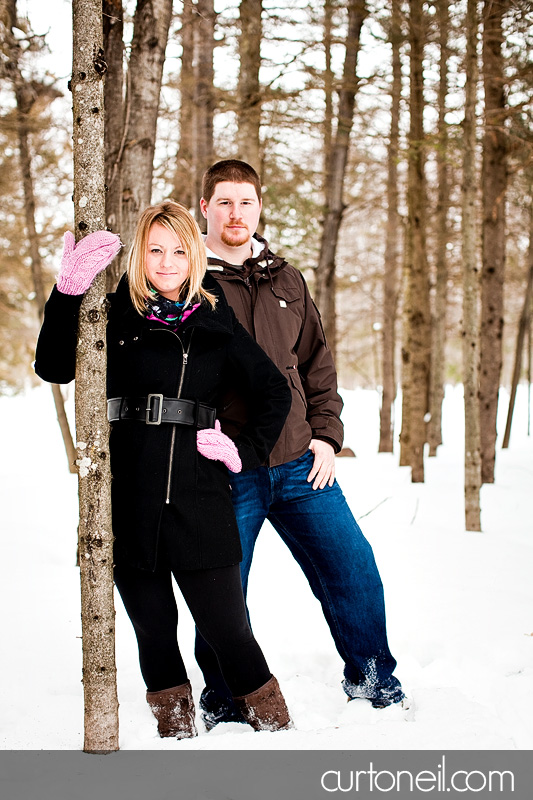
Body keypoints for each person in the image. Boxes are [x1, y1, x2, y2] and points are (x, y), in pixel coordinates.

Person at [34, 200, 294, 738]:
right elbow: (53, 365)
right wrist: (68, 291)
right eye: (155, 250)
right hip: (129, 498)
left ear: (194, 254)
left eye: (179, 250)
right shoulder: (112, 314)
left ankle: (276, 731)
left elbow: (273, 390)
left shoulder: (214, 316)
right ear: (139, 255)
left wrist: (242, 451)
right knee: (154, 633)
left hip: (201, 499)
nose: (167, 261)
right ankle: (176, 738)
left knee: (228, 630)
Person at [195, 160, 405, 729]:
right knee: (222, 594)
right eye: (224, 202)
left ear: (259, 207)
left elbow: (316, 364)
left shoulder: (286, 278)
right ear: (205, 208)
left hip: (300, 464)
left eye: (246, 202)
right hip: (228, 469)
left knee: (353, 568)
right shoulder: (189, 279)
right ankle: (225, 699)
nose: (235, 213)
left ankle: (372, 679)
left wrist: (327, 438)